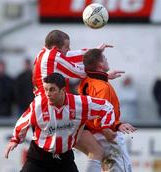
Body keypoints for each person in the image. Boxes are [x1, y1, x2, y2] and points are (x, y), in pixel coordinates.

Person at [32, 29, 125, 172]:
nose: (68, 50)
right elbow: (79, 71)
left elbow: (70, 56)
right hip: (55, 113)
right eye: (66, 46)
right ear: (56, 48)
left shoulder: (43, 54)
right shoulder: (53, 57)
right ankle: (106, 129)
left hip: (46, 113)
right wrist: (102, 71)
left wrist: (95, 51)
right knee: (96, 151)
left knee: (71, 157)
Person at [4, 72, 116, 172]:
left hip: (64, 158)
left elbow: (106, 107)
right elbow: (23, 120)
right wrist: (15, 139)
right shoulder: (38, 104)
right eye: (46, 89)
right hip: (39, 157)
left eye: (52, 89)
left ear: (62, 90)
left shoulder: (79, 103)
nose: (48, 93)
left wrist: (106, 127)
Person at [78, 49, 137, 172]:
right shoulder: (101, 88)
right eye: (104, 57)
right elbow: (99, 117)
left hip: (95, 133)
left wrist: (106, 76)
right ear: (100, 64)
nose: (107, 59)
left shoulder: (87, 82)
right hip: (106, 134)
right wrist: (116, 126)